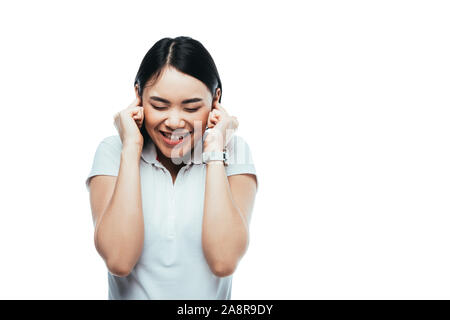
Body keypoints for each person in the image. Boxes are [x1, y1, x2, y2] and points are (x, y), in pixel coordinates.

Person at [85, 36, 258, 300]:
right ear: (138, 96)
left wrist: (214, 151)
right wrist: (131, 146)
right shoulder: (113, 151)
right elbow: (119, 260)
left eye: (191, 107)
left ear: (215, 100)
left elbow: (223, 261)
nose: (174, 121)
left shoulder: (235, 151)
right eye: (159, 105)